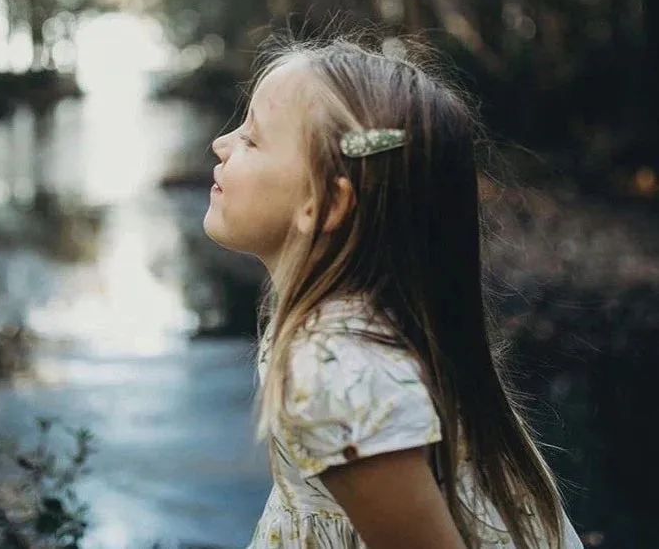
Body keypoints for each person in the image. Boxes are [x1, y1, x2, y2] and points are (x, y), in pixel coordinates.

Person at [203, 35, 584, 549]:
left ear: (326, 203)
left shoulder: (331, 370)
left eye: (251, 140)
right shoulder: (384, 311)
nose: (221, 144)